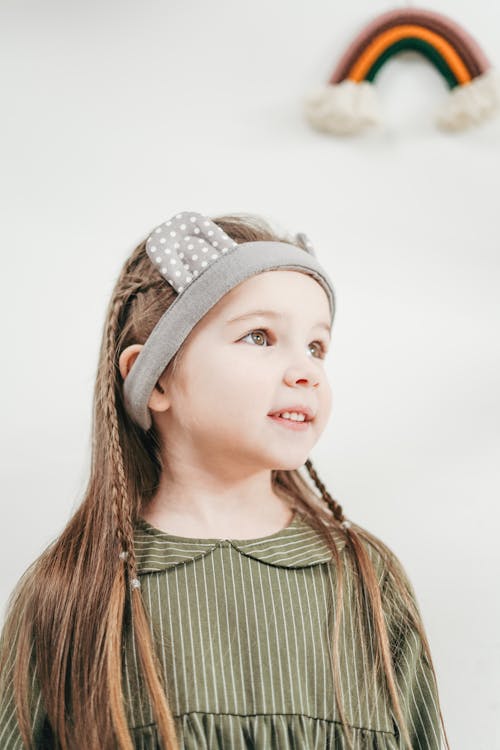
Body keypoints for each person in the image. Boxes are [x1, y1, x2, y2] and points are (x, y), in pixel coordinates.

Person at [0, 210, 450, 750]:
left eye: (316, 347)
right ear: (157, 379)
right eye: (260, 336)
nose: (305, 370)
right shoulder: (73, 592)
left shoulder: (367, 579)